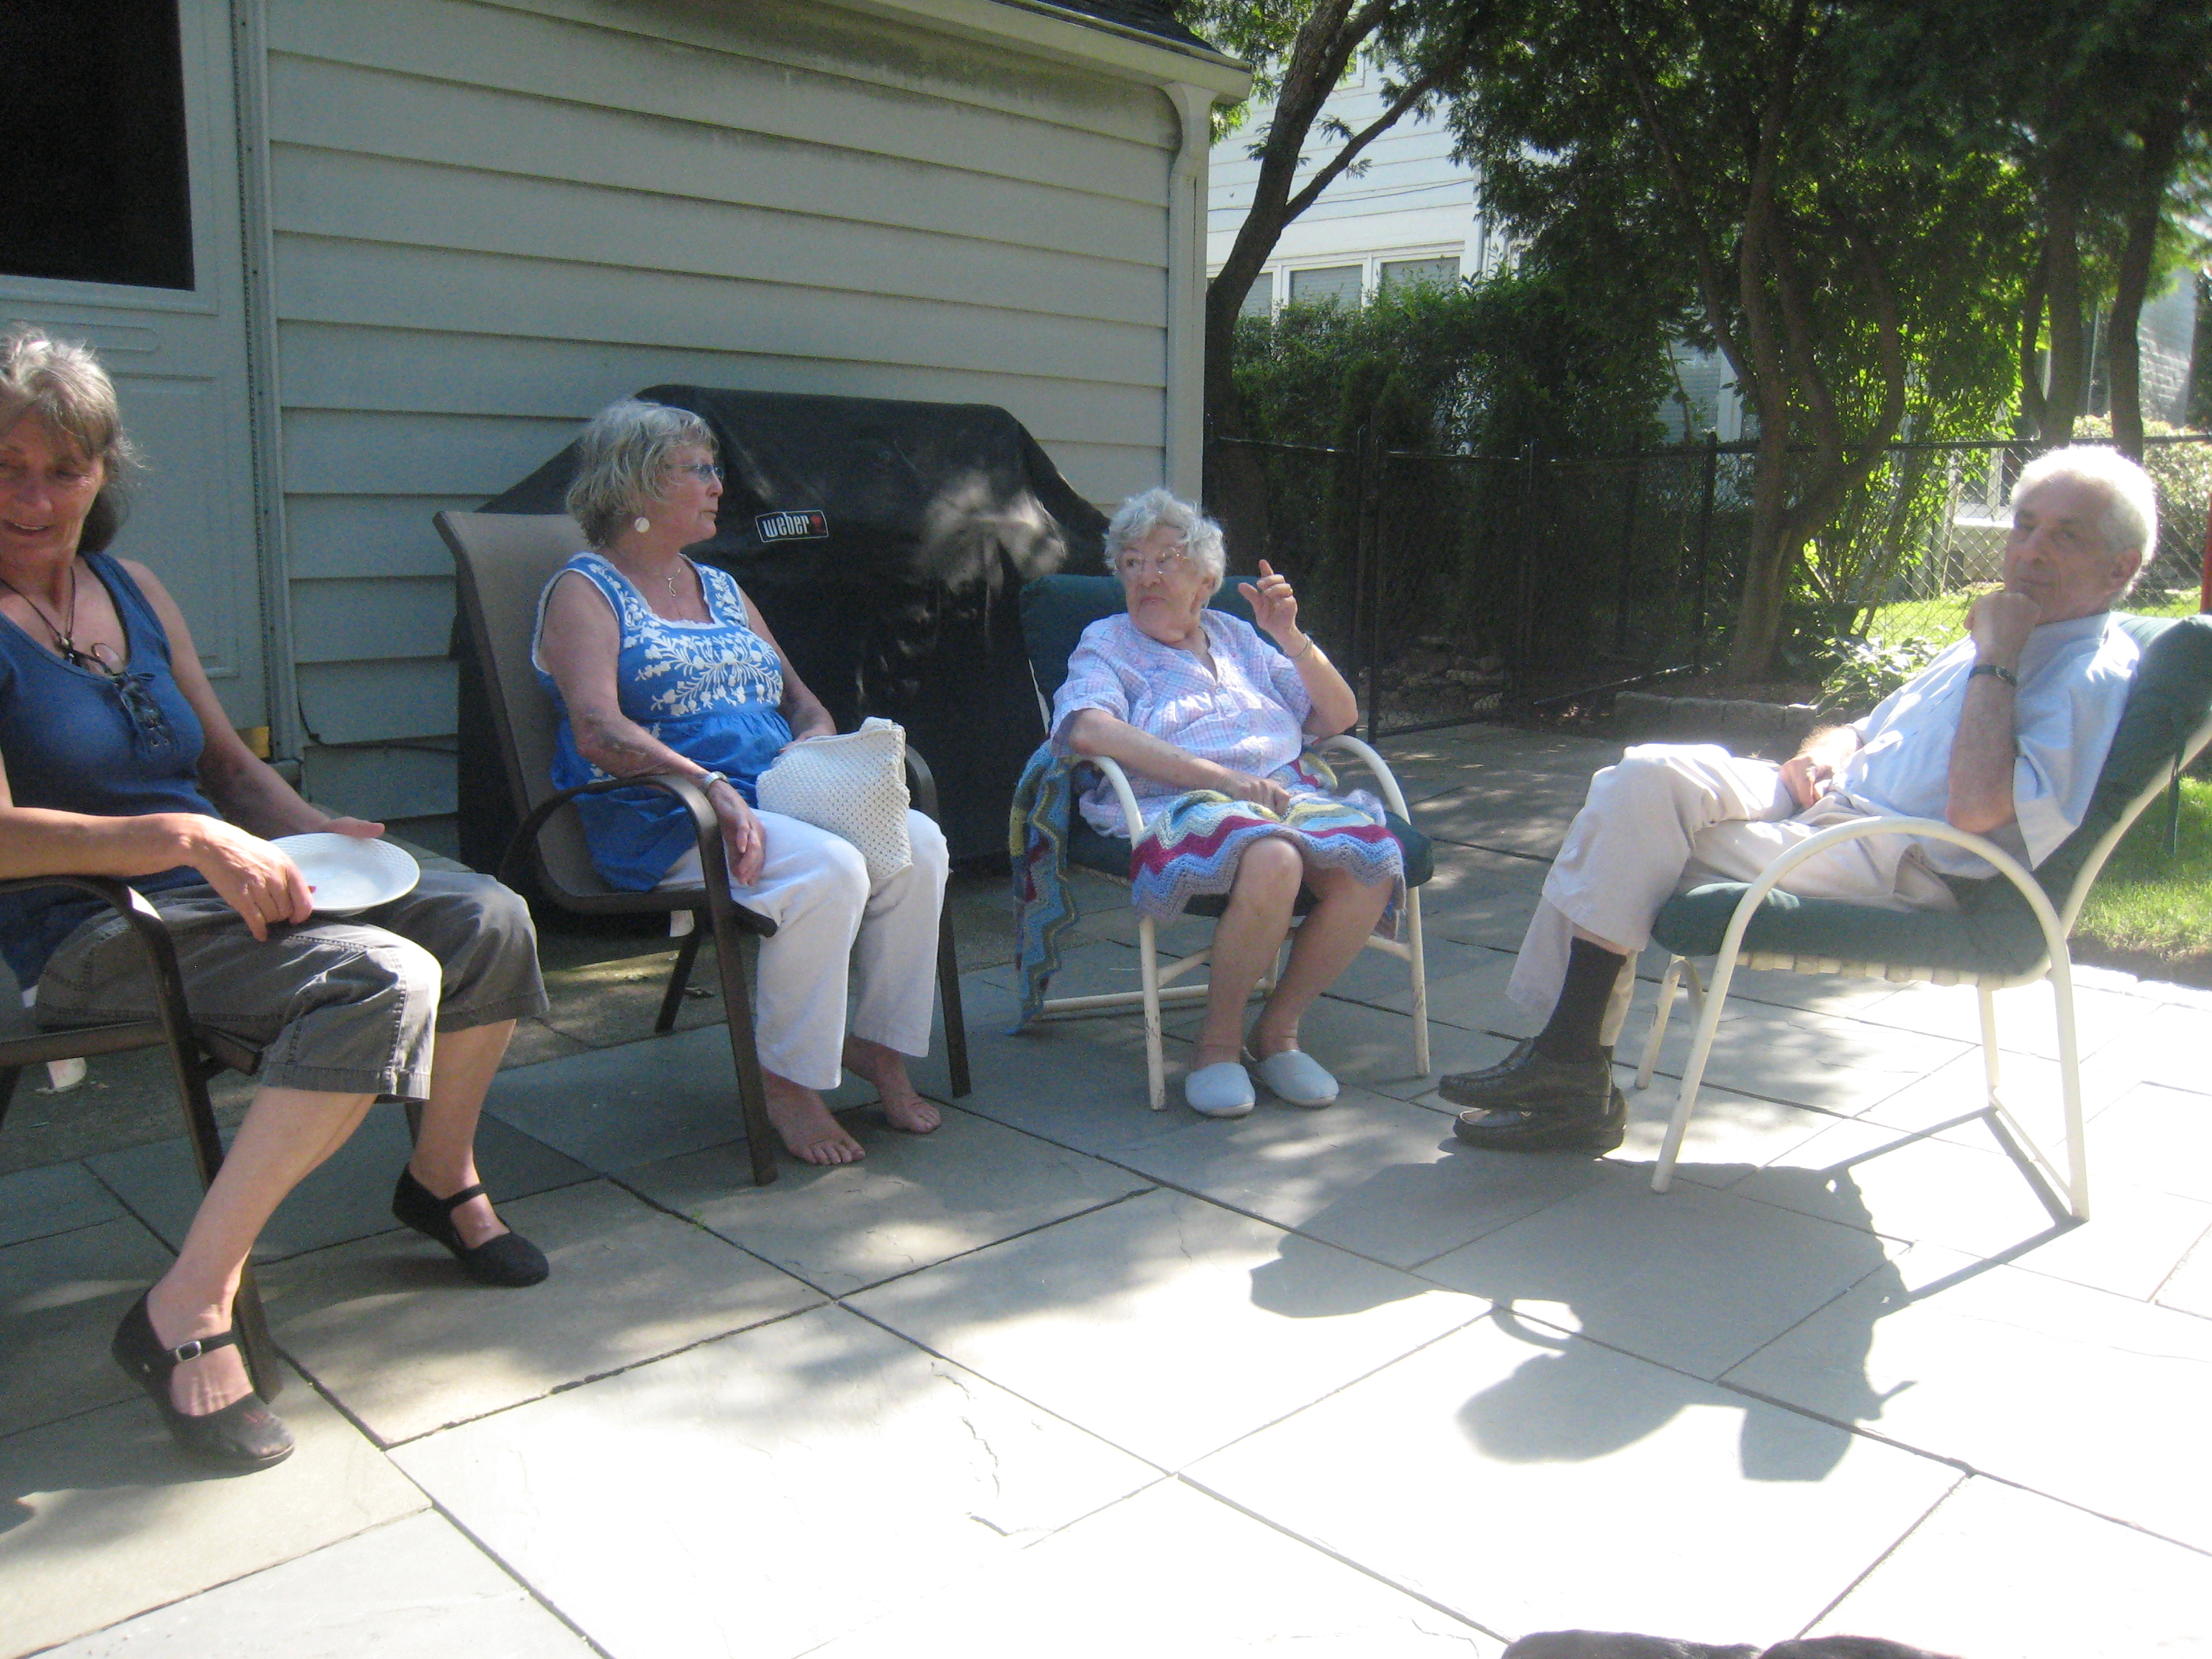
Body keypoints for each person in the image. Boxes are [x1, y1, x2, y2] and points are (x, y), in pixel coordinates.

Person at [0, 327, 550, 1473]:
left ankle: (438, 1178)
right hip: (91, 928)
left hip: (221, 886)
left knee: (486, 917)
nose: (34, 497)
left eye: (64, 468)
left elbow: (227, 768)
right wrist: (178, 836)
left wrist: (308, 828)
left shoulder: (132, 589)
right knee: (380, 982)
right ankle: (186, 1308)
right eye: (7, 467)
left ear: (103, 473)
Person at [1446, 444, 2156, 1154]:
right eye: (2025, 524)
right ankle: (1570, 1060)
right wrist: (1824, 752)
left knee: (1624, 833)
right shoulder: (2002, 633)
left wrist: (1998, 657)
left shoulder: (2083, 673)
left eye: (2066, 535)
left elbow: (1977, 812)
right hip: (1825, 809)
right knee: (1641, 777)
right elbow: (1863, 727)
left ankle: (1571, 1064)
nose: (2030, 550)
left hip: (1896, 859)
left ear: (2120, 568)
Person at [532, 398, 948, 1167]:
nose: (718, 485)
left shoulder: (721, 588)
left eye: (715, 468)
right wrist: (711, 786)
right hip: (665, 814)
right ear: (635, 486)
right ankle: (785, 1080)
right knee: (829, 869)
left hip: (770, 798)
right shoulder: (584, 591)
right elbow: (597, 728)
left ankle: (877, 1045)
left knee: (919, 843)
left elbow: (802, 703)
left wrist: (817, 750)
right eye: (697, 470)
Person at [1053, 488, 1402, 1117]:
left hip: (1285, 794)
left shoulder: (1237, 636)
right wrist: (1224, 780)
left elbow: (1338, 716)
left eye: (1165, 559)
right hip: (1177, 802)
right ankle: (1215, 1047)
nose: (1146, 576)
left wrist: (1289, 636)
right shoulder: (1108, 642)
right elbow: (1087, 728)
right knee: (1274, 857)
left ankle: (1278, 1033)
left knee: (1371, 861)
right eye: (1131, 563)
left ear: (1206, 579)